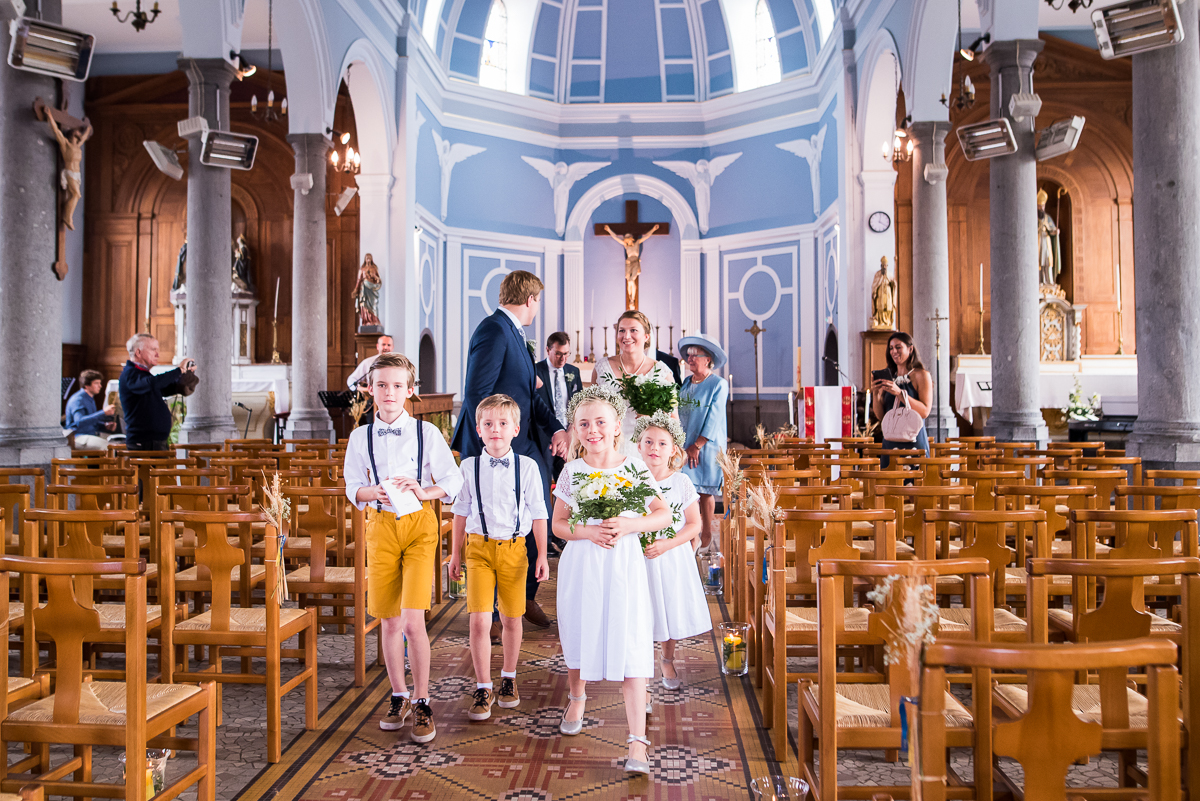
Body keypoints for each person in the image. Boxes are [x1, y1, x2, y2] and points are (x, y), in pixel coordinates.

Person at [551, 386, 672, 775]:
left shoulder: (634, 468)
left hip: (624, 568)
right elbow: (558, 524)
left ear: (617, 426)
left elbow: (663, 515)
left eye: (600, 422)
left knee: (632, 642)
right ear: (574, 429)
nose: (593, 430)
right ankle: (577, 696)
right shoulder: (572, 471)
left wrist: (630, 524)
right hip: (583, 565)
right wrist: (587, 532)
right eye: (583, 423)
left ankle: (637, 742)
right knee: (579, 632)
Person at [344, 352, 463, 744]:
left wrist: (423, 489)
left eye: (397, 386)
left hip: (418, 526)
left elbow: (453, 480)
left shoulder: (426, 433)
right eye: (382, 386)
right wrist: (369, 490)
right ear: (370, 390)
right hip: (380, 526)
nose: (389, 392)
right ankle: (398, 695)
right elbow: (350, 487)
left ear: (411, 391)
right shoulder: (360, 436)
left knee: (413, 622)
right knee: (390, 621)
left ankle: (423, 700)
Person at [452, 270, 569, 632]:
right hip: (498, 447)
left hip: (523, 441)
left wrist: (558, 428)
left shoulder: (515, 334)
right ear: (531, 298)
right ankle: (493, 612)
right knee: (496, 525)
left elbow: (529, 396)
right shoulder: (494, 330)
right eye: (539, 301)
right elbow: (476, 394)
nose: (538, 307)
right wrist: (496, 448)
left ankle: (522, 597)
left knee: (536, 515)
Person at [448, 394, 549, 721]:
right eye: (488, 424)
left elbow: (538, 514)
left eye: (503, 424)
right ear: (478, 429)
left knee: (511, 617)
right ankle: (482, 685)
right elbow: (460, 513)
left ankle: (508, 677)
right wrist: (454, 555)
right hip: (477, 549)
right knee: (478, 619)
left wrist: (542, 555)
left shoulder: (528, 467)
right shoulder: (468, 466)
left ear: (515, 429)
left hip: (514, 550)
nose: (495, 429)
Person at [634, 412, 709, 690]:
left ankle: (667, 658)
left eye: (662, 444)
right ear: (638, 446)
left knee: (668, 609)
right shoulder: (631, 481)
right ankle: (638, 664)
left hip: (670, 554)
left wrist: (666, 544)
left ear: (674, 450)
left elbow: (693, 525)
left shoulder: (681, 483)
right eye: (649, 442)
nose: (655, 448)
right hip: (638, 558)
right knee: (640, 609)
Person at [593, 311, 676, 449]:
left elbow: (673, 419)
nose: (626, 336)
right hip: (608, 447)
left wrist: (648, 417)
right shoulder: (601, 367)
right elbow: (592, 410)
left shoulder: (662, 373)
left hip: (647, 449)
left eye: (633, 330)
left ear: (646, 336)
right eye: (621, 330)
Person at [676, 333, 729, 551]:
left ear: (708, 358)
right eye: (688, 355)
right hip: (686, 442)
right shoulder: (687, 382)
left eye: (694, 355)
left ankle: (706, 534)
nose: (690, 359)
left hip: (706, 445)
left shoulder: (718, 384)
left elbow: (714, 418)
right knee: (687, 490)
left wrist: (697, 445)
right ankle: (690, 532)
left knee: (705, 490)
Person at [119, 334, 196, 452]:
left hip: (154, 442)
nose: (157, 354)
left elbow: (162, 389)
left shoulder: (143, 374)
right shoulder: (130, 374)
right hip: (144, 443)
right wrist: (178, 370)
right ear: (138, 353)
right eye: (153, 349)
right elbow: (152, 384)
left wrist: (184, 378)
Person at [871, 331, 932, 458]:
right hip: (890, 440)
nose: (894, 351)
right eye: (891, 348)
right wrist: (876, 393)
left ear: (910, 349)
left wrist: (899, 393)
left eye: (898, 347)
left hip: (913, 439)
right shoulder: (889, 377)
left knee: (914, 477)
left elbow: (925, 411)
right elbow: (881, 416)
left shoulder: (921, 375)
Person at [534, 331, 583, 479]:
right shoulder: (536, 371)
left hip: (569, 437)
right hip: (544, 438)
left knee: (569, 481)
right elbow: (535, 406)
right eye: (558, 354)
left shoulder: (573, 371)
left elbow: (578, 404)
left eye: (567, 354)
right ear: (548, 350)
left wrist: (569, 433)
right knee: (545, 481)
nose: (563, 359)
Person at [66, 369, 116, 452]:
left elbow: (90, 422)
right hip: (77, 437)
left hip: (90, 434)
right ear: (86, 385)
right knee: (107, 447)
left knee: (118, 443)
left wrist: (105, 426)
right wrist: (103, 413)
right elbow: (79, 422)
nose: (100, 386)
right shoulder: (78, 399)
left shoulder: (90, 398)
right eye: (96, 383)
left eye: (100, 383)